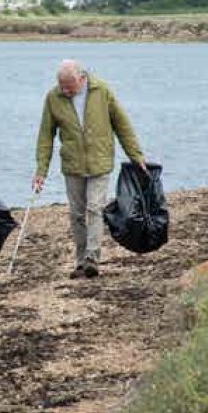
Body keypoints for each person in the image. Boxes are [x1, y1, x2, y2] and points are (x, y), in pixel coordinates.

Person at [32, 60, 147, 279]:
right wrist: (41, 171)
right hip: (73, 165)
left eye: (69, 86)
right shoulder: (53, 98)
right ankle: (80, 260)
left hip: (99, 162)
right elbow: (46, 136)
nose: (65, 90)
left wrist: (136, 156)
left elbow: (122, 124)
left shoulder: (101, 91)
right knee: (76, 214)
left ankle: (92, 259)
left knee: (95, 208)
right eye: (61, 86)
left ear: (81, 78)